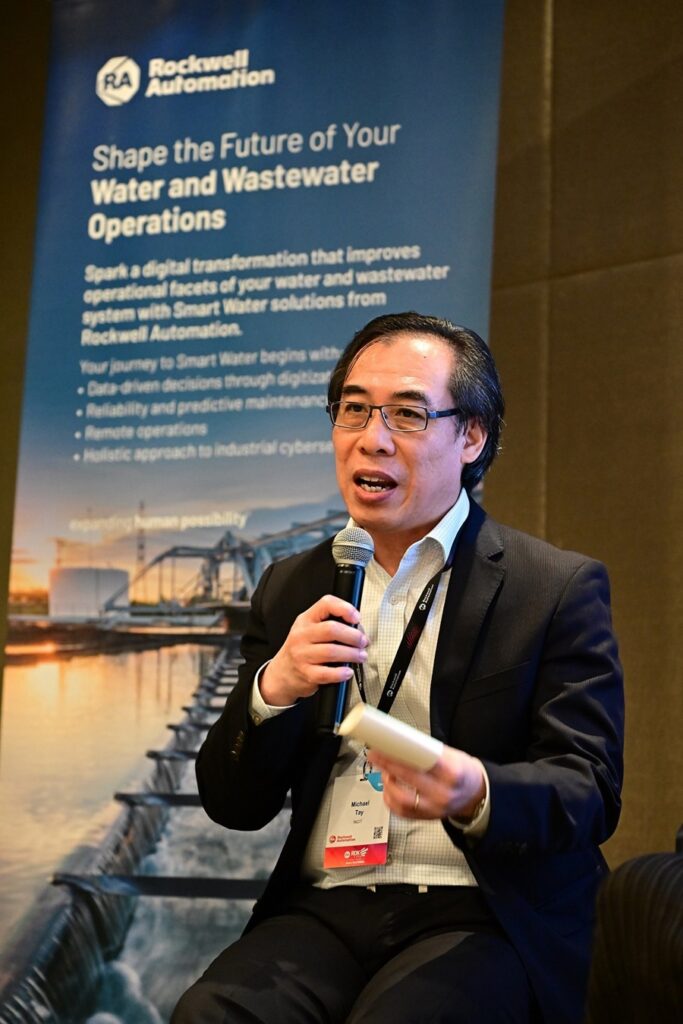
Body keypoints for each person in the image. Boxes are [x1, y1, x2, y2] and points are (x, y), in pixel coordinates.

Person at [172, 311, 624, 1024]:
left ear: (470, 436)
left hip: (482, 907)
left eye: (407, 414)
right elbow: (233, 804)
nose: (370, 439)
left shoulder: (551, 588)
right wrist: (271, 692)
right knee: (210, 1012)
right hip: (324, 903)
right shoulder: (292, 585)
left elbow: (589, 790)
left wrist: (477, 790)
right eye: (352, 410)